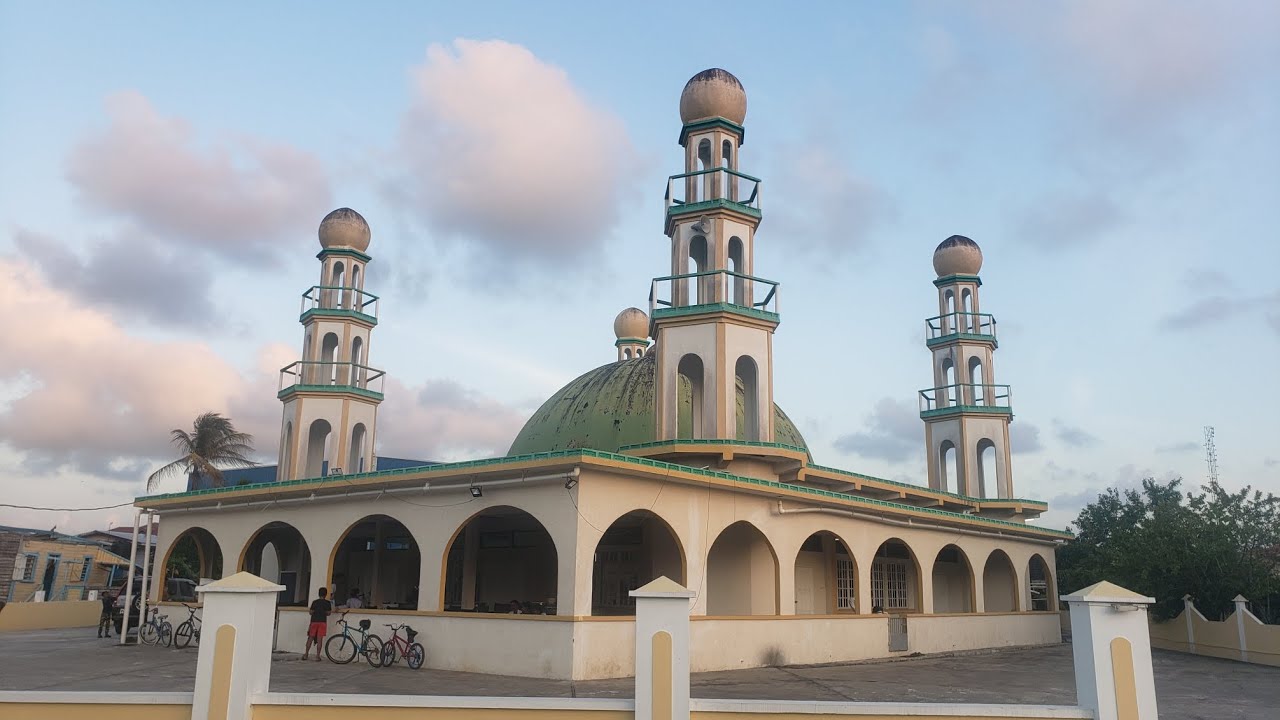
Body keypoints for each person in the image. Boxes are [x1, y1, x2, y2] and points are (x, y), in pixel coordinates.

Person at [304, 587, 332, 661]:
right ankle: (317, 656)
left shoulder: (315, 602)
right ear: (326, 594)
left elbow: (310, 612)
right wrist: (323, 612)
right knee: (320, 639)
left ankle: (306, 654)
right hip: (322, 622)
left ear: (318, 594)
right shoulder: (327, 603)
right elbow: (329, 613)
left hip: (314, 621)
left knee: (310, 637)